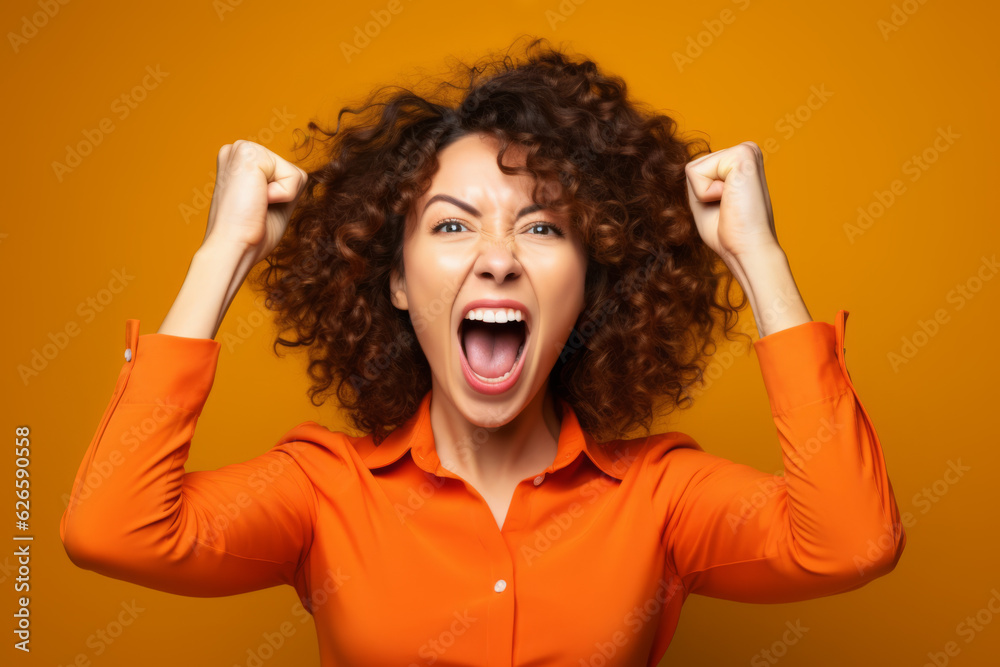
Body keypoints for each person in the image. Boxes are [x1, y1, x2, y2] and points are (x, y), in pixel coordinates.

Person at [60, 36, 906, 666]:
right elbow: (112, 530)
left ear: (590, 284)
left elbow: (852, 541)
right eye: (453, 224)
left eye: (541, 227)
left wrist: (758, 258)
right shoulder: (321, 492)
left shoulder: (660, 498)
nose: (497, 258)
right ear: (395, 280)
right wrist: (225, 254)